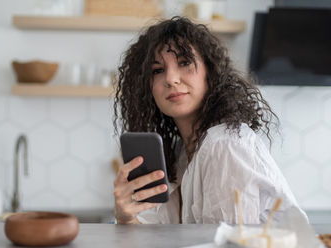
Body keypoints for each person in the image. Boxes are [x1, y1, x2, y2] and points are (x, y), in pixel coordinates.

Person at [112, 16, 306, 224]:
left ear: (210, 72)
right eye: (158, 70)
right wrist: (126, 216)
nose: (170, 79)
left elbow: (226, 247)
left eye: (184, 62)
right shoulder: (181, 152)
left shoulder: (224, 144)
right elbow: (160, 236)